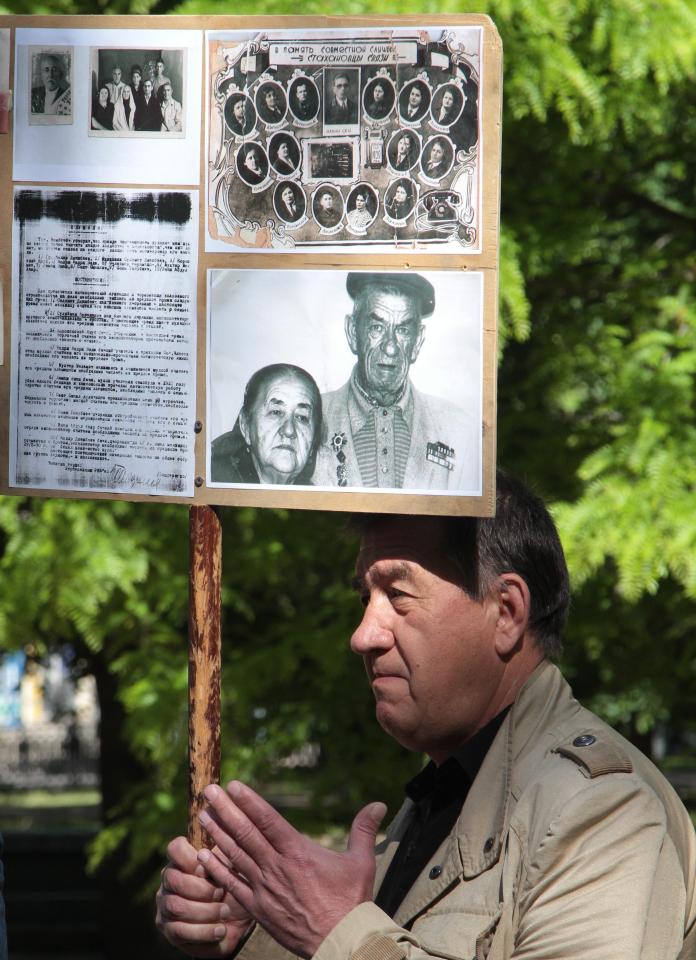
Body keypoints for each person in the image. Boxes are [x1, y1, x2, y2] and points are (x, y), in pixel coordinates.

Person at [156, 473, 696, 959]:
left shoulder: (597, 809)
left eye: (398, 594)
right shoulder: (451, 791)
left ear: (506, 612)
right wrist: (262, 926)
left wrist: (335, 931)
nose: (363, 635)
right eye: (365, 597)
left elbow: (354, 942)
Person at [312, 272, 477, 490]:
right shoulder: (309, 419)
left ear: (417, 342)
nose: (390, 347)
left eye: (403, 330)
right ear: (353, 332)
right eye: (377, 327)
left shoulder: (459, 430)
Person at [209, 364, 321, 484]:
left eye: (301, 417)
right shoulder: (215, 481)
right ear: (245, 425)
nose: (289, 430)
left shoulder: (318, 499)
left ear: (314, 440)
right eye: (276, 412)